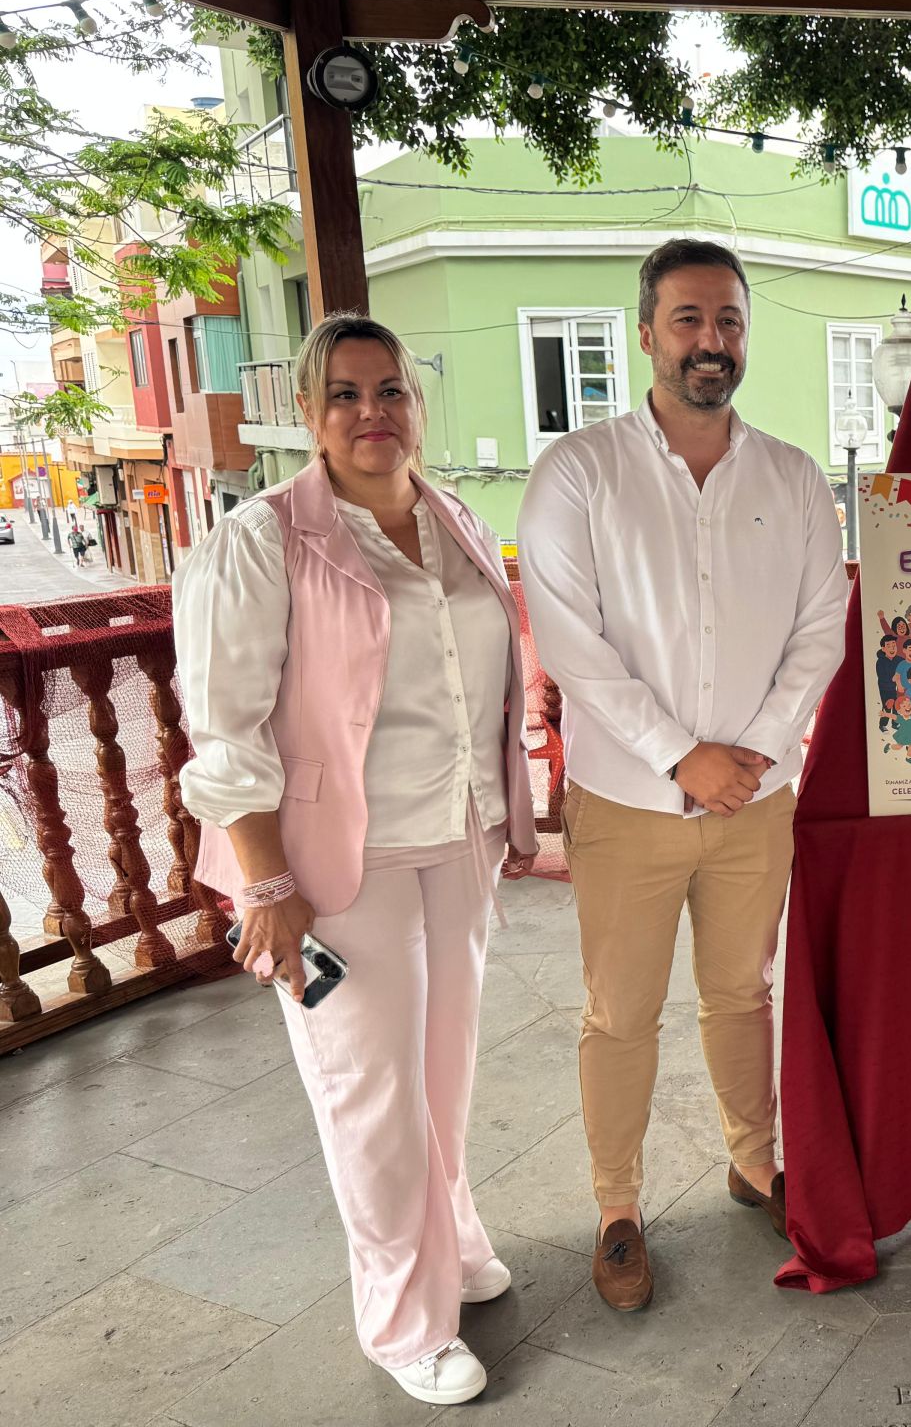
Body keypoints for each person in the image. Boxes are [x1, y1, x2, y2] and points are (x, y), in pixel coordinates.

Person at [175, 312, 539, 1406]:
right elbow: (226, 726)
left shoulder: (456, 518)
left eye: (391, 391)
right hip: (341, 860)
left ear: (419, 407)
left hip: (455, 837)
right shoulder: (266, 537)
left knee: (442, 1073)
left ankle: (454, 1239)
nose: (372, 413)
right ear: (310, 412)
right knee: (367, 1095)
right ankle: (400, 1319)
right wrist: (267, 884)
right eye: (345, 394)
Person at [517, 238, 847, 1314]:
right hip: (626, 803)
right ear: (648, 330)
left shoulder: (793, 476)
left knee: (742, 992)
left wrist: (751, 751)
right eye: (692, 320)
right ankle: (618, 1207)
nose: (713, 342)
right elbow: (571, 639)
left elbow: (821, 630)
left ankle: (756, 1163)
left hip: (757, 802)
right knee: (621, 1013)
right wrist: (680, 755)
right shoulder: (580, 471)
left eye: (731, 322)